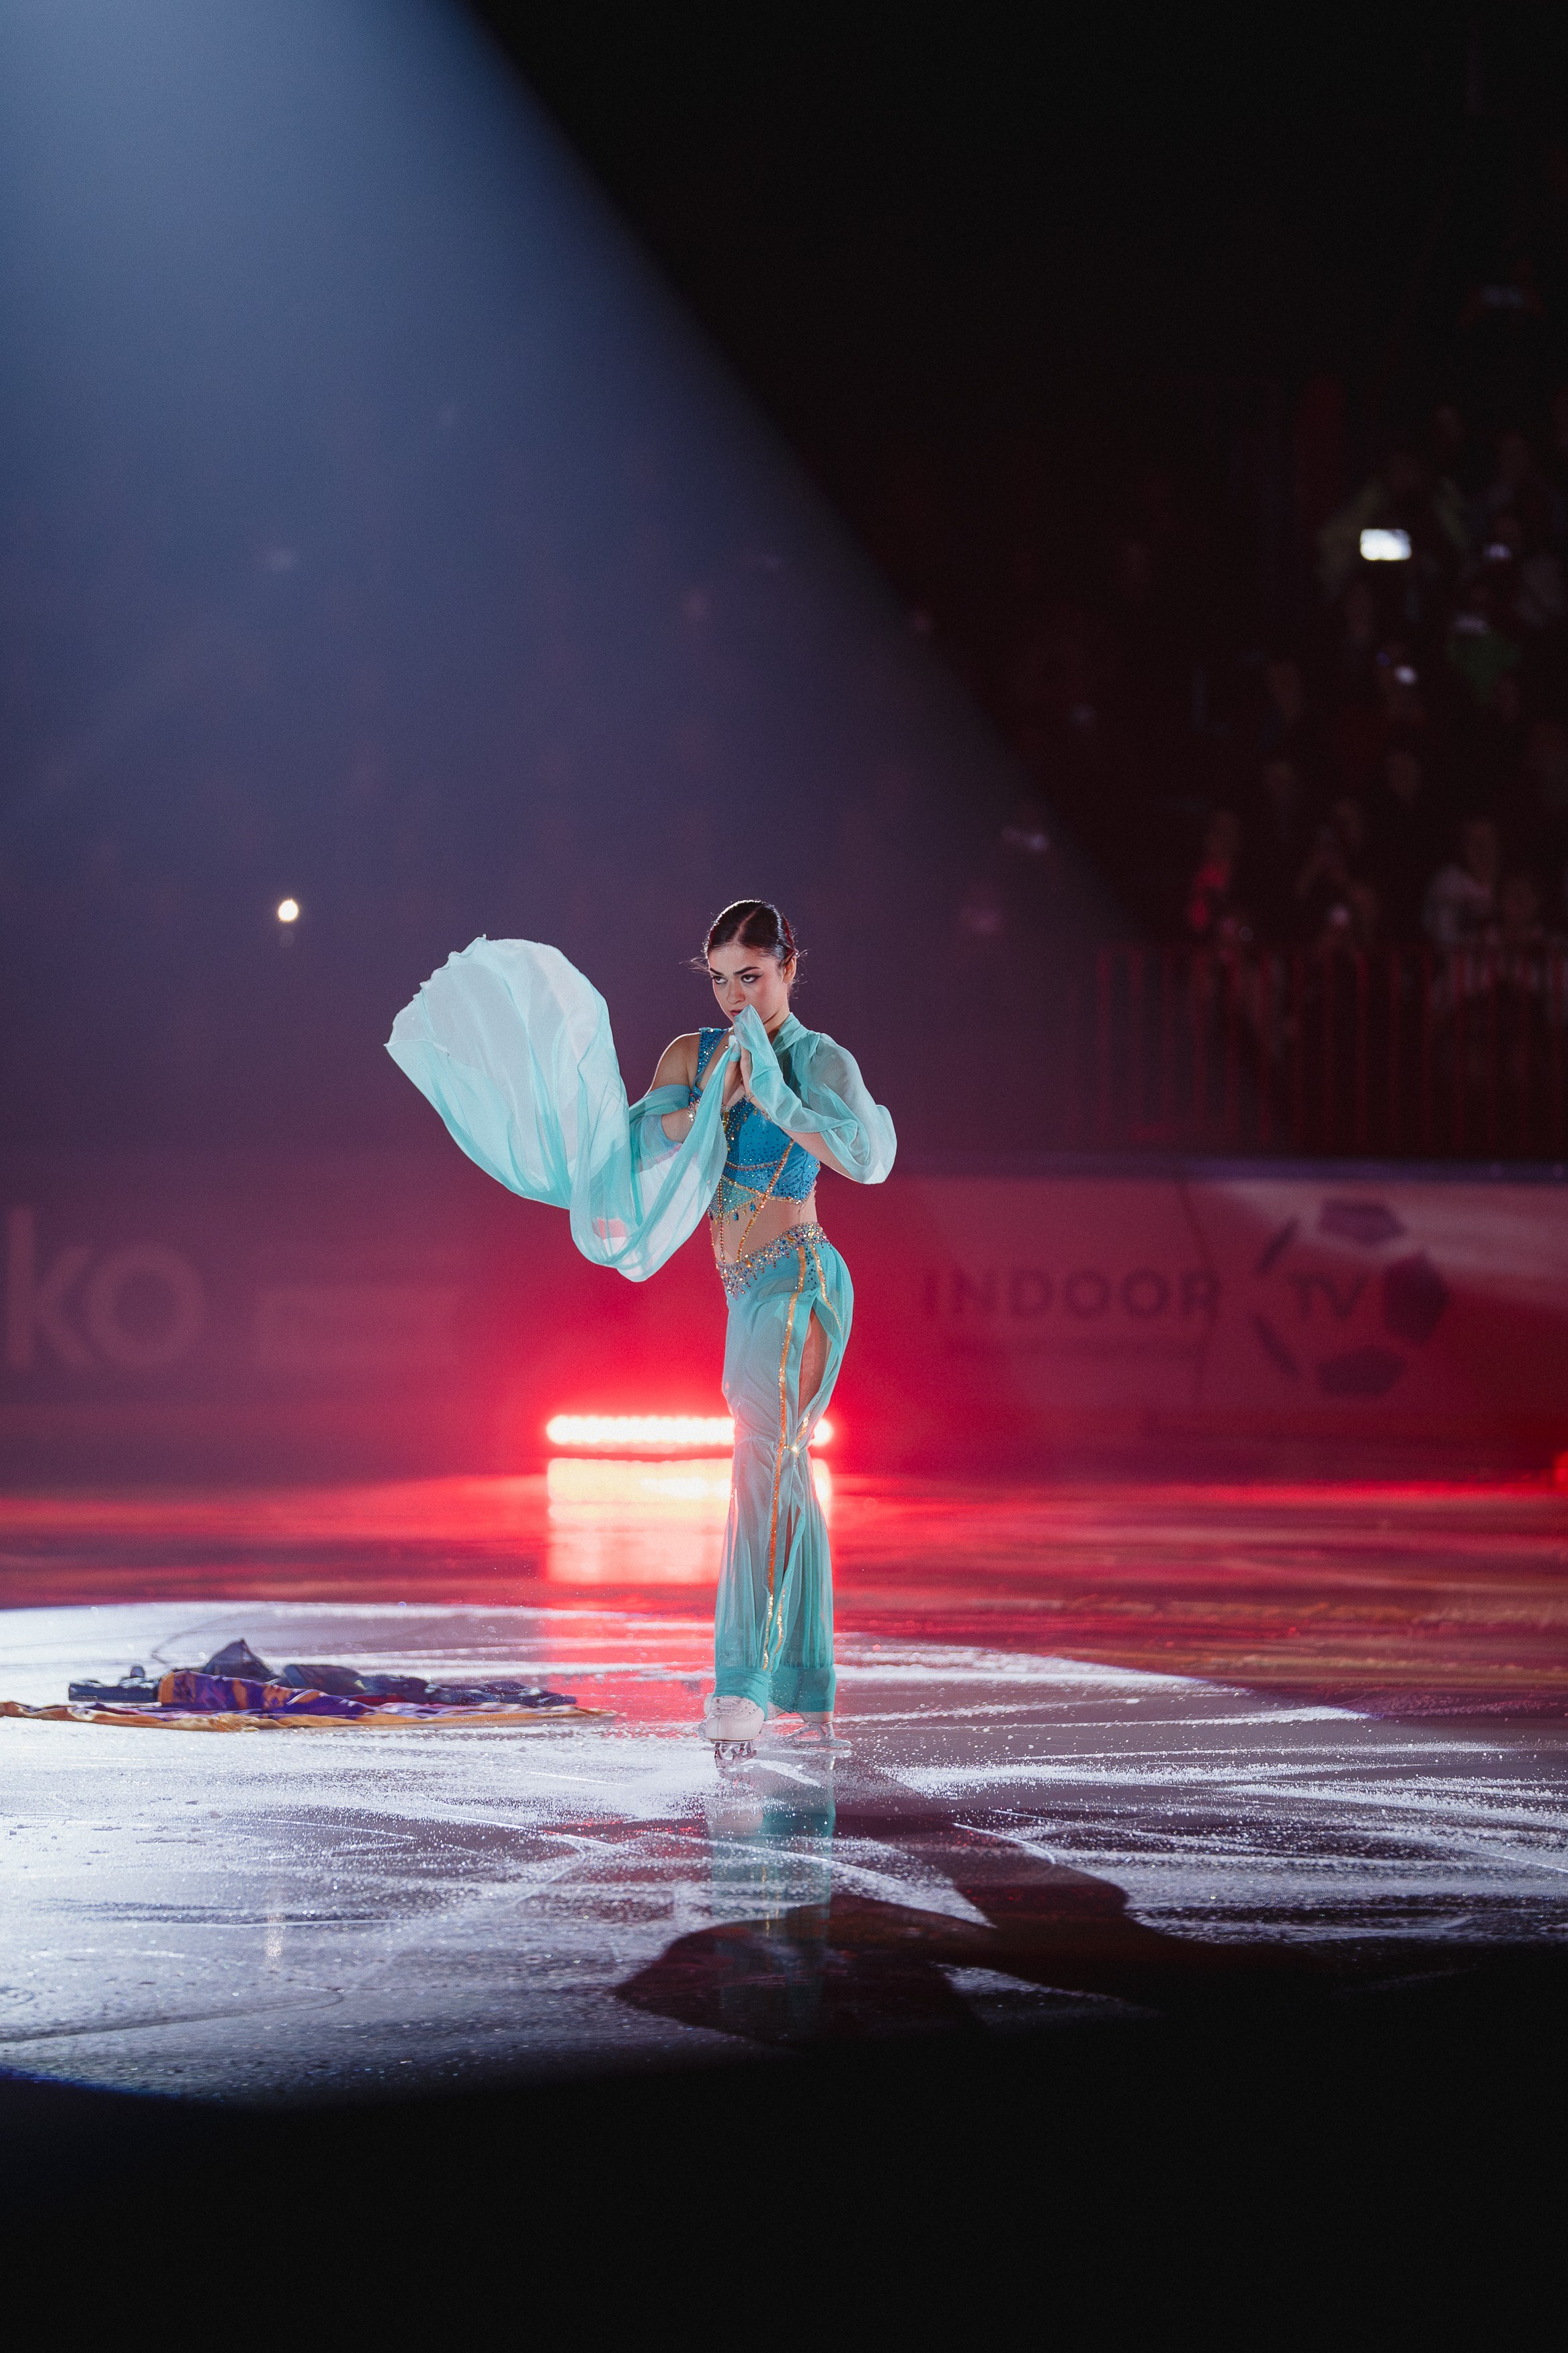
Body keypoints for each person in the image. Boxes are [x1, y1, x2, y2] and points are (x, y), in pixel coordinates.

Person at [386, 901, 896, 1758]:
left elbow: (867, 1157)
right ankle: (808, 1683)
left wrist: (768, 1086)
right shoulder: (690, 1054)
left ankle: (741, 1684)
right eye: (723, 978)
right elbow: (625, 1155)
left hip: (802, 1278)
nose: (737, 997)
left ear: (788, 970)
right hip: (742, 1290)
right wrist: (701, 1102)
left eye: (754, 976)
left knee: (759, 1470)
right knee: (786, 1479)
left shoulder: (816, 1060)